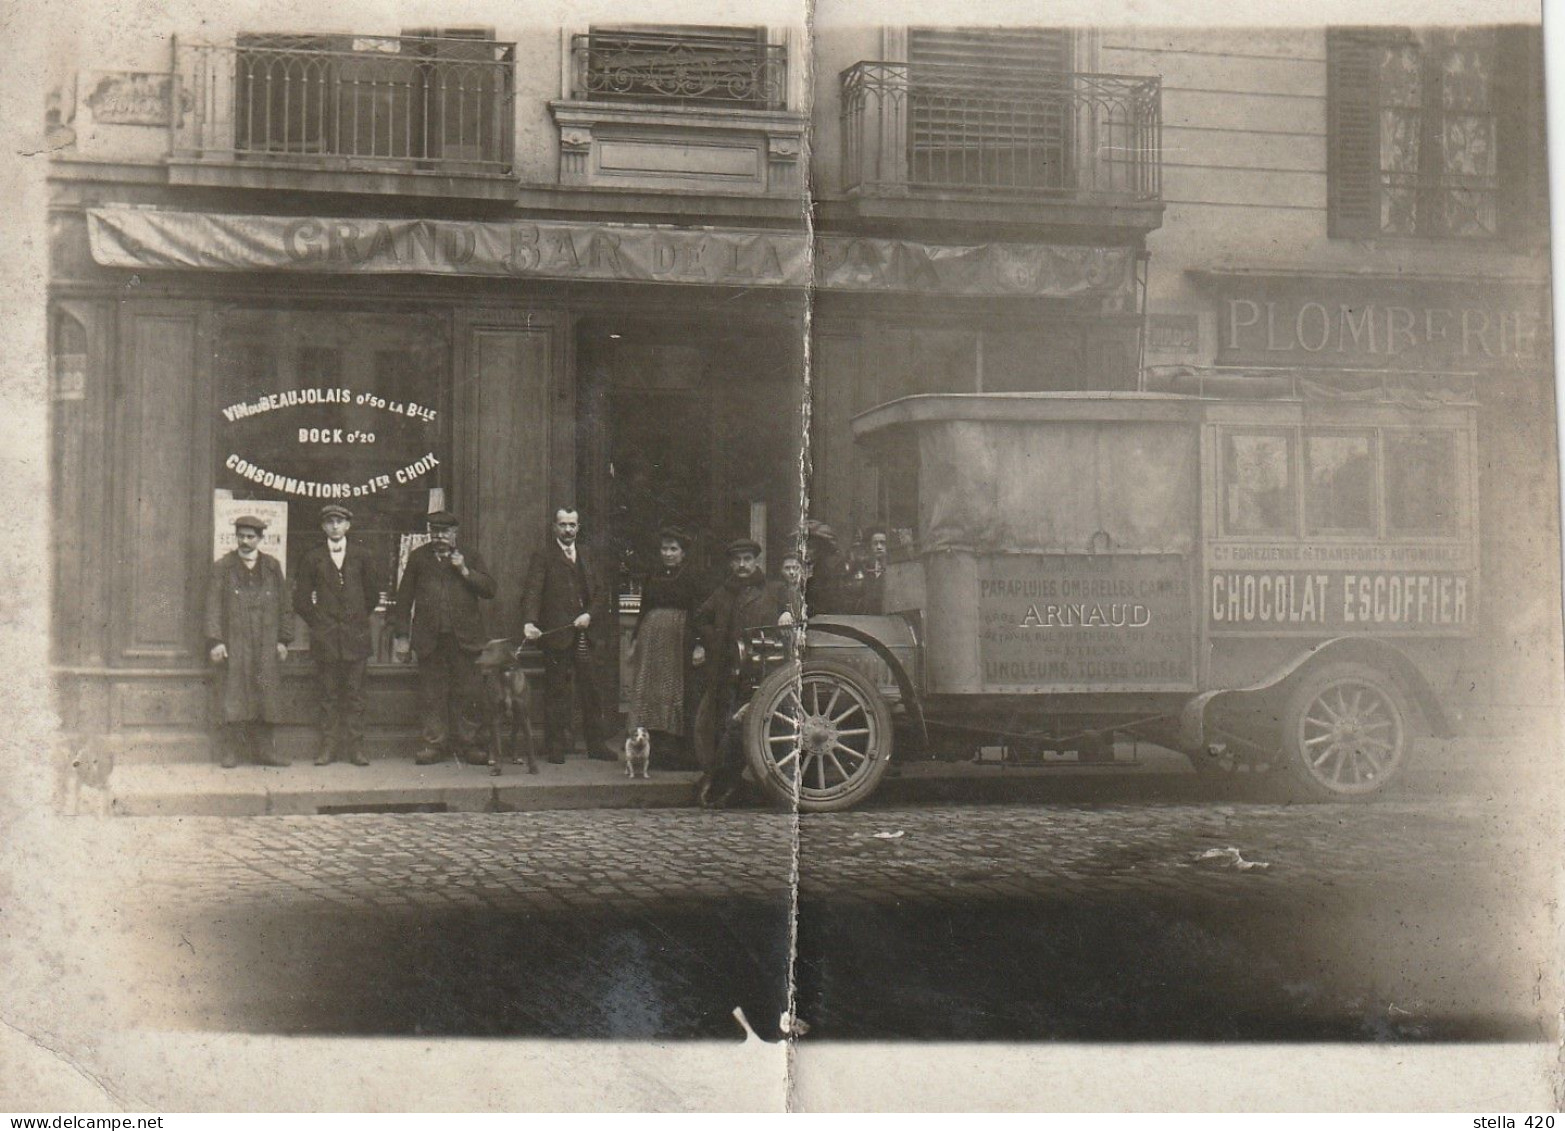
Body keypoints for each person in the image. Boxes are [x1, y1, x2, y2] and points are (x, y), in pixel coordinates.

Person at [692, 537, 791, 807]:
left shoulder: (774, 589)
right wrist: (714, 642)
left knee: (748, 725)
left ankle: (724, 784)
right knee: (726, 725)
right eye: (737, 560)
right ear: (731, 563)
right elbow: (700, 618)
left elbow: (794, 607)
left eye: (747, 559)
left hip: (764, 668)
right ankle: (727, 783)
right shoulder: (723, 592)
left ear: (756, 561)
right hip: (728, 669)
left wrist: (786, 614)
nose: (742, 565)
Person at [391, 511, 496, 765]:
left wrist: (465, 570)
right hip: (430, 639)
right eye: (434, 532)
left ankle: (469, 745)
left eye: (444, 532)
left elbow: (490, 589)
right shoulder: (418, 558)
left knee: (468, 692)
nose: (439, 537)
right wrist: (402, 637)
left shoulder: (469, 556)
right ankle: (434, 745)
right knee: (432, 694)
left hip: (466, 639)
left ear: (454, 533)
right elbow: (403, 600)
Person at [522, 507, 613, 764]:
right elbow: (533, 591)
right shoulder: (543, 556)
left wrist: (590, 616)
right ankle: (555, 747)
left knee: (591, 691)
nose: (568, 530)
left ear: (578, 527)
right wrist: (530, 621)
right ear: (554, 528)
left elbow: (600, 593)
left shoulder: (587, 555)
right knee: (556, 692)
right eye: (562, 525)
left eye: (572, 525)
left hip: (587, 635)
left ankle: (596, 745)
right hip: (558, 636)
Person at [293, 504, 381, 766]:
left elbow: (372, 595)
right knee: (328, 696)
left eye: (339, 521)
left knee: (355, 696)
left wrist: (354, 619)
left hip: (356, 638)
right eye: (329, 521)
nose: (334, 526)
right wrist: (319, 622)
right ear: (323, 527)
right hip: (326, 639)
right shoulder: (313, 557)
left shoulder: (362, 556)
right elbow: (301, 599)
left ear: (347, 526)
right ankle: (328, 748)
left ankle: (356, 749)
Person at [205, 515, 293, 769]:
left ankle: (265, 752)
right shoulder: (223, 567)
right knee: (235, 695)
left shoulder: (272, 567)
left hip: (266, 643)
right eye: (241, 536)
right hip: (236, 643)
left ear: (260, 539)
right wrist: (215, 641)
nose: (245, 541)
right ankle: (231, 751)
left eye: (250, 537)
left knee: (266, 694)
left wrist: (283, 640)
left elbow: (285, 606)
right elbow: (212, 605)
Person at [626, 526, 704, 769]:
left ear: (683, 553)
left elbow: (700, 612)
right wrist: (635, 640)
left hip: (679, 640)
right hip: (651, 642)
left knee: (675, 690)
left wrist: (700, 644)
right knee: (650, 690)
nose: (668, 553)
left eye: (673, 549)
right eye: (664, 549)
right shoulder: (653, 575)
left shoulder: (692, 576)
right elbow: (643, 608)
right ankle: (652, 750)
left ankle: (676, 752)